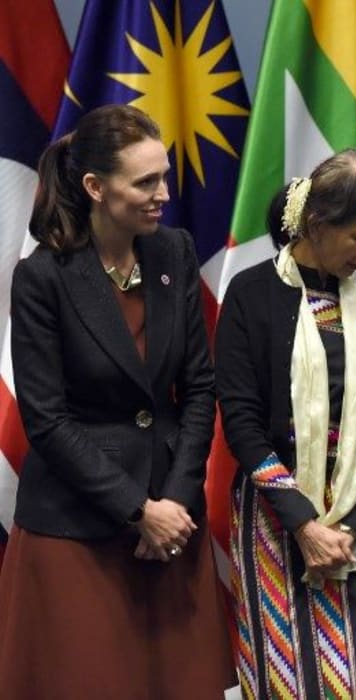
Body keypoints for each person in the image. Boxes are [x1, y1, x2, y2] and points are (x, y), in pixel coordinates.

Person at [0, 104, 232, 697]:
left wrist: (174, 504)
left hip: (171, 528)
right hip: (79, 531)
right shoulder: (44, 277)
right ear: (96, 188)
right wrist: (138, 510)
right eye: (146, 181)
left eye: (165, 178)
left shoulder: (173, 253)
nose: (163, 194)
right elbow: (46, 421)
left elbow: (199, 389)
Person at [215, 149, 356, 699]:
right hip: (278, 519)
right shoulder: (252, 293)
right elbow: (241, 419)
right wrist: (305, 524)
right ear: (317, 224)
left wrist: (350, 525)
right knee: (289, 677)